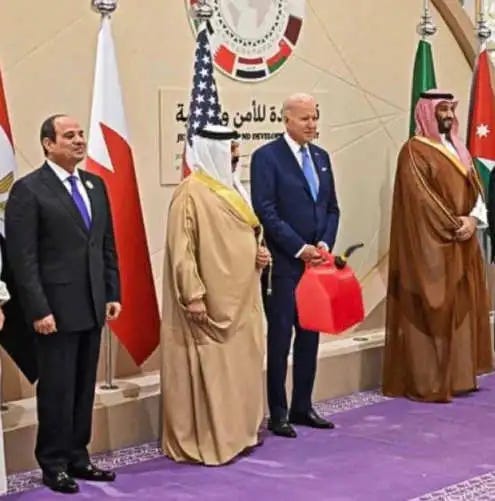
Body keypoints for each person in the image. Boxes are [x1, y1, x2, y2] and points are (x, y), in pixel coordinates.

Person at [5, 114, 121, 494]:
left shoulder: (95, 185)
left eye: (81, 134)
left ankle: (78, 456)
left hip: (92, 305)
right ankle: (53, 463)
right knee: (57, 390)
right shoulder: (29, 190)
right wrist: (38, 309)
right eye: (68, 135)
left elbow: (105, 244)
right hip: (53, 312)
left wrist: (112, 292)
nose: (79, 140)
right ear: (47, 144)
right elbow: (23, 259)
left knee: (84, 388)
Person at [161, 124, 271, 465]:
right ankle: (210, 438)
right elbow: (182, 250)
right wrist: (193, 294)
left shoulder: (233, 188)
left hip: (243, 298)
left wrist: (259, 253)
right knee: (213, 369)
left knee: (241, 367)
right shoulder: (190, 193)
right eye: (231, 149)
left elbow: (248, 231)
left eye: (237, 148)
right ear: (214, 150)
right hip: (211, 302)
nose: (236, 155)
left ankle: (238, 433)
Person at [383, 89, 493, 402]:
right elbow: (421, 201)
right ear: (427, 113)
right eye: (441, 109)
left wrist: (472, 219)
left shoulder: (458, 148)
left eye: (450, 109)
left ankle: (459, 377)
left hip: (463, 240)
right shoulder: (414, 151)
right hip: (431, 246)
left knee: (461, 308)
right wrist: (453, 225)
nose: (447, 115)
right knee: (431, 309)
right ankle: (430, 382)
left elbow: (476, 190)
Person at [250, 93, 340, 438]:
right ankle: (278, 412)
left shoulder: (321, 157)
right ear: (286, 119)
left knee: (309, 336)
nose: (311, 124)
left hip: (316, 266)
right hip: (284, 266)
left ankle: (303, 406)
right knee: (280, 338)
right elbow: (266, 210)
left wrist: (323, 244)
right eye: (305, 119)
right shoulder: (266, 158)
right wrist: (299, 248)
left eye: (315, 117)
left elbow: (331, 208)